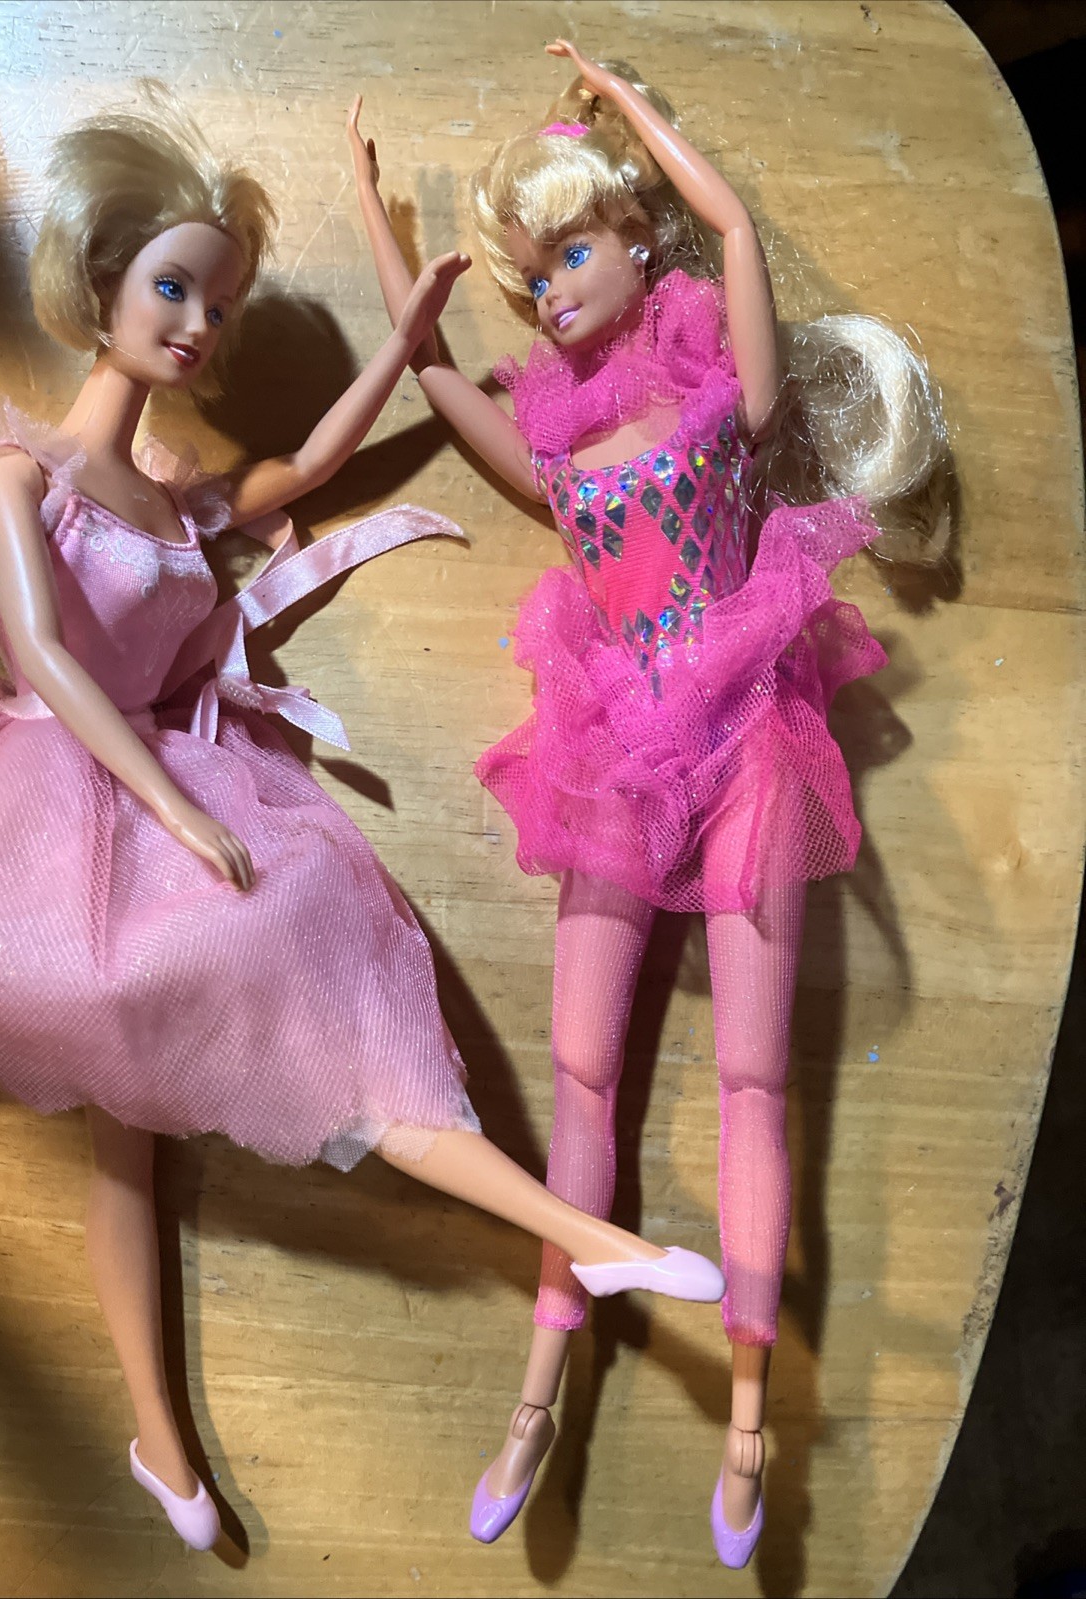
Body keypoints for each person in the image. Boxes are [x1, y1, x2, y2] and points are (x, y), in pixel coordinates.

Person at [0, 89, 724, 1552]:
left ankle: (580, 1243)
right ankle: (191, 1426)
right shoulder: (21, 477)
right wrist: (174, 808)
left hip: (160, 798)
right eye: (174, 289)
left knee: (252, 1067)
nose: (199, 326)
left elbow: (313, 470)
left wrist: (407, 344)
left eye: (218, 303)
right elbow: (50, 665)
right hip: (43, 817)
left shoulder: (174, 502)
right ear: (102, 281)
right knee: (146, 1116)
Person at [350, 38, 943, 1564]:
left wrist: (627, 112)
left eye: (573, 252)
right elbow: (435, 375)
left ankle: (746, 1419)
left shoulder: (717, 393)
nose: (549, 289)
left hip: (745, 737)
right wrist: (382, 244)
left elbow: (734, 232)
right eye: (529, 269)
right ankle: (538, 1388)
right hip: (611, 744)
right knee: (580, 1068)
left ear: (633, 240)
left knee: (755, 1078)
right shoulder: (555, 447)